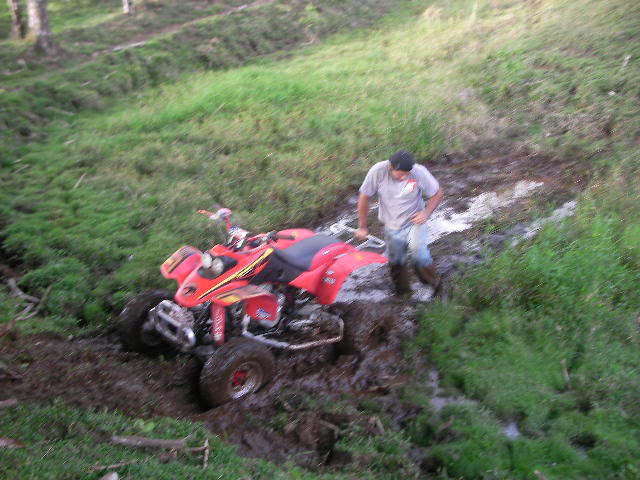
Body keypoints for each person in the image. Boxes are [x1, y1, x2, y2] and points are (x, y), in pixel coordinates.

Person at [355, 150, 444, 296]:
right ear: (390, 167)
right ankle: (403, 295)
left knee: (420, 255)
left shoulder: (419, 172)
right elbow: (364, 197)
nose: (404, 177)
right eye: (400, 173)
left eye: (407, 173)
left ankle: (437, 288)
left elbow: (438, 193)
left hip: (414, 221)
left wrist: (426, 213)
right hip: (391, 224)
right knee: (396, 260)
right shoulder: (378, 171)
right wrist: (363, 226)